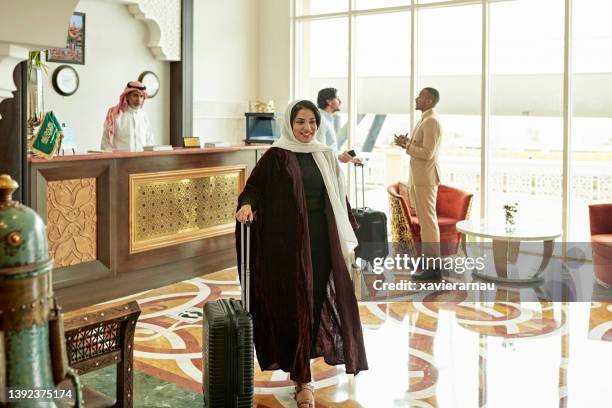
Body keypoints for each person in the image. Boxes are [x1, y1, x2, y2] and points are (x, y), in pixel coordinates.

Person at [235, 100, 368, 407]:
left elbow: (337, 193)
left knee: (315, 302)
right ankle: (302, 380)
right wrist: (247, 204)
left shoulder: (324, 155)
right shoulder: (276, 156)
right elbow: (255, 188)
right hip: (287, 247)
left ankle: (303, 369)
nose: (307, 128)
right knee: (297, 307)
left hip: (321, 245)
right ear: (289, 124)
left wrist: (349, 225)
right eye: (300, 122)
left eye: (312, 122)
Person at [394, 87, 443, 279]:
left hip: (426, 179)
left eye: (420, 96)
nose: (416, 98)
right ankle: (427, 260)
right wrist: (407, 143)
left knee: (428, 222)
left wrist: (407, 145)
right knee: (424, 221)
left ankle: (433, 267)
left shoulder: (431, 121)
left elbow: (427, 153)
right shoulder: (424, 119)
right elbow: (421, 147)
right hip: (419, 178)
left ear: (429, 101)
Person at [101, 81, 153, 152]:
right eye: (135, 95)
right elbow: (105, 143)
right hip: (121, 161)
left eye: (141, 96)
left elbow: (149, 141)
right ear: (127, 96)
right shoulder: (115, 115)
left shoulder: (144, 117)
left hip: (142, 161)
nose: (139, 100)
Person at [316, 87, 360, 164]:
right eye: (337, 98)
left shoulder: (327, 120)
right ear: (329, 101)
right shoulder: (321, 120)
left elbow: (329, 148)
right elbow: (319, 150)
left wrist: (343, 157)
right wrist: (340, 157)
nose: (340, 101)